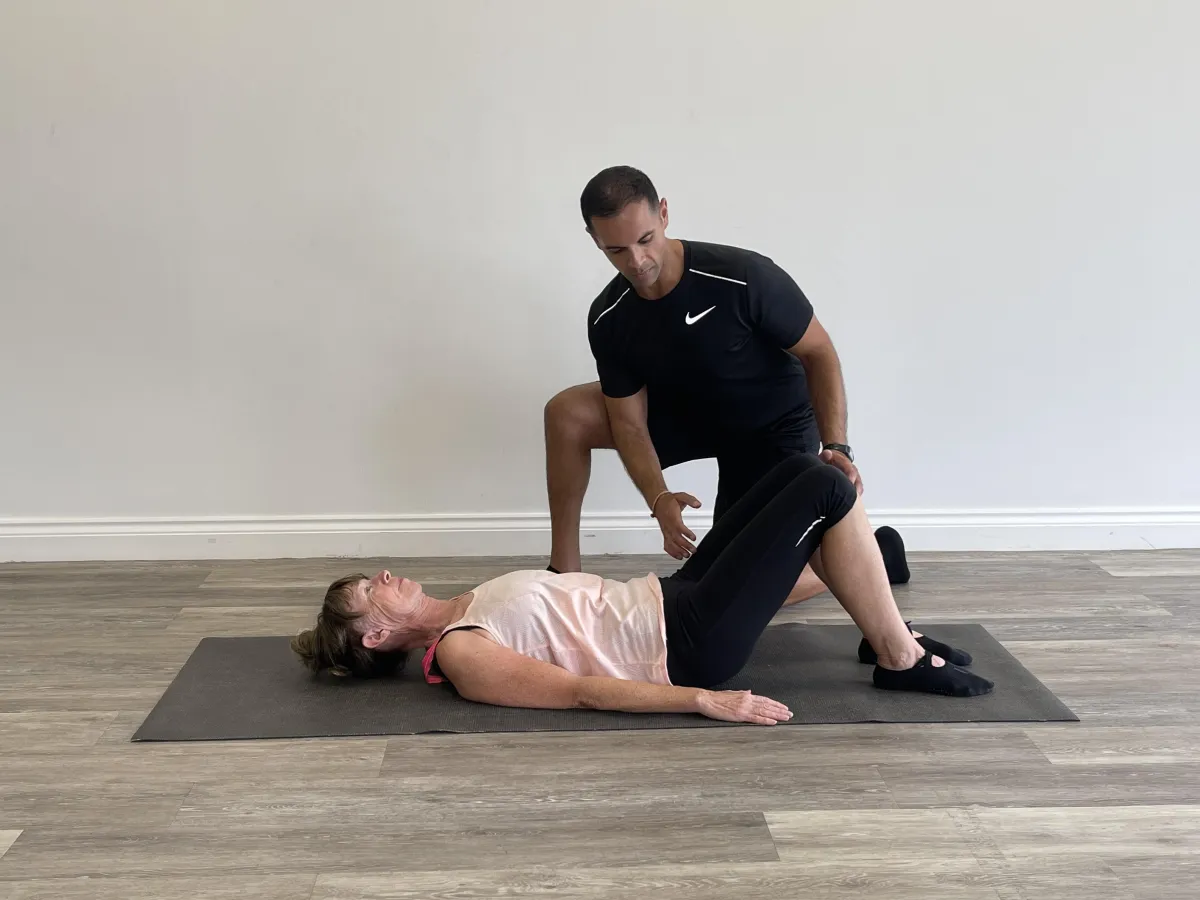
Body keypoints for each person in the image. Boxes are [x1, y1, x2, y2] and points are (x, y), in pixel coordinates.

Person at [292, 454, 992, 725]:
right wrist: (703, 699)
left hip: (671, 595)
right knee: (825, 491)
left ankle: (878, 613)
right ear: (376, 634)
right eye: (370, 591)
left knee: (796, 471)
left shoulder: (467, 603)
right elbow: (580, 693)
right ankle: (898, 656)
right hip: (684, 644)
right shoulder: (461, 651)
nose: (385, 576)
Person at [543, 165, 910, 604]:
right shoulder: (609, 316)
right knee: (567, 413)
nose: (637, 262)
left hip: (771, 425)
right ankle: (562, 574)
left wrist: (838, 446)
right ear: (595, 239)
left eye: (645, 240)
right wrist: (659, 498)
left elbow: (819, 352)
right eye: (617, 250)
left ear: (663, 214)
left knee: (724, 590)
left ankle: (878, 555)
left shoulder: (742, 276)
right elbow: (629, 423)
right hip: (693, 414)